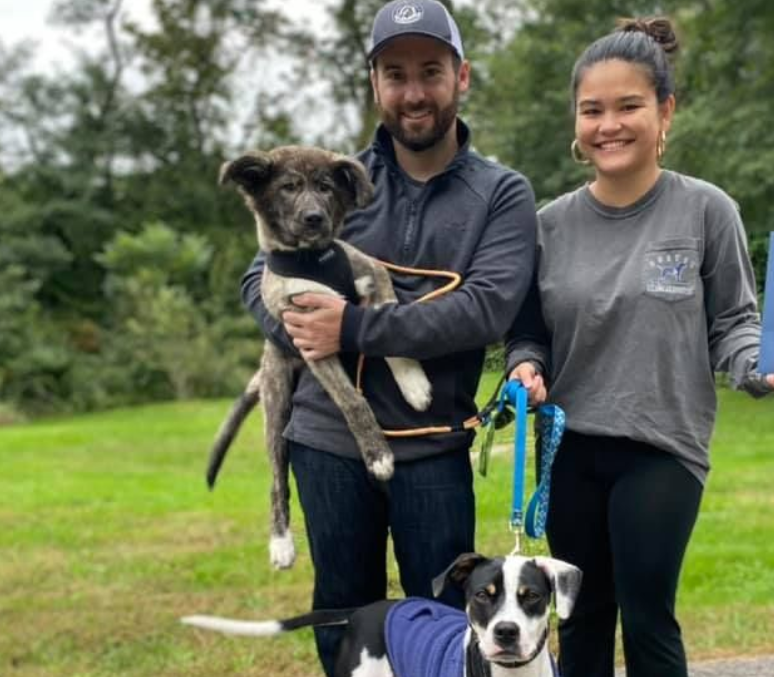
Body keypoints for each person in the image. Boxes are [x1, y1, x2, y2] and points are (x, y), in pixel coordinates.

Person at [505, 17, 774, 677]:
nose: (609, 124)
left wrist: (768, 369)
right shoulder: (546, 225)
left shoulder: (706, 211)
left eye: (628, 106)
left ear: (664, 112)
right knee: (582, 615)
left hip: (662, 448)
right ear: (574, 123)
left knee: (646, 610)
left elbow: (734, 326)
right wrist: (526, 365)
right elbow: (529, 332)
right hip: (566, 450)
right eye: (591, 110)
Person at [241, 1, 536, 674]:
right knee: (344, 622)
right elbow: (257, 279)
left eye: (429, 71)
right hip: (325, 444)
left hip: (433, 448)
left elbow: (484, 309)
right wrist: (293, 329)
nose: (412, 92)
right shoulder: (330, 179)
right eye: (394, 73)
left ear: (460, 77)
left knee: (442, 623)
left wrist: (348, 324)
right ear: (374, 83)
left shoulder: (500, 194)